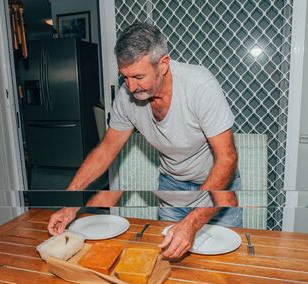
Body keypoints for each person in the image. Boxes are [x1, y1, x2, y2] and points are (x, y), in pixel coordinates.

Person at [47, 22, 241, 259]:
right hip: (173, 186)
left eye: (138, 76)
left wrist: (192, 223)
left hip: (217, 186)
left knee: (226, 267)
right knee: (170, 261)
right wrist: (71, 202)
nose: (130, 86)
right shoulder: (127, 95)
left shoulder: (200, 86)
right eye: (124, 77)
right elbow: (106, 150)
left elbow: (227, 158)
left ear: (164, 64)